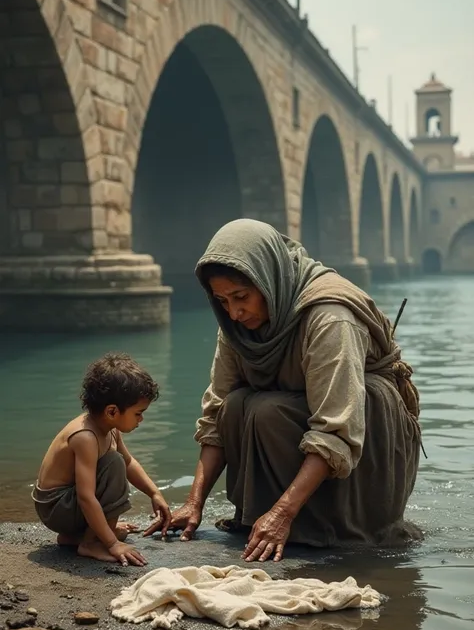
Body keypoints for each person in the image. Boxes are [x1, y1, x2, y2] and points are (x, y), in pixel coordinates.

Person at [148, 219, 423, 562]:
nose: (234, 311)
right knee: (235, 406)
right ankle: (262, 519)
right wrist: (193, 503)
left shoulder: (329, 317)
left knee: (267, 411)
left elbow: (336, 430)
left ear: (268, 280)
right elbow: (217, 414)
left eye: (241, 297)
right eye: (222, 300)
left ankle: (316, 526)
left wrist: (283, 514)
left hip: (366, 433)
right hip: (297, 417)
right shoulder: (236, 323)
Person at [32, 353, 171, 566]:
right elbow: (86, 497)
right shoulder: (85, 437)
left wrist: (154, 493)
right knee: (113, 463)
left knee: (117, 461)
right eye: (138, 413)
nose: (141, 419)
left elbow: (129, 462)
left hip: (68, 504)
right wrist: (112, 543)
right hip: (57, 508)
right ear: (112, 411)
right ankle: (91, 543)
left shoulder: (110, 428)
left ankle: (76, 537)